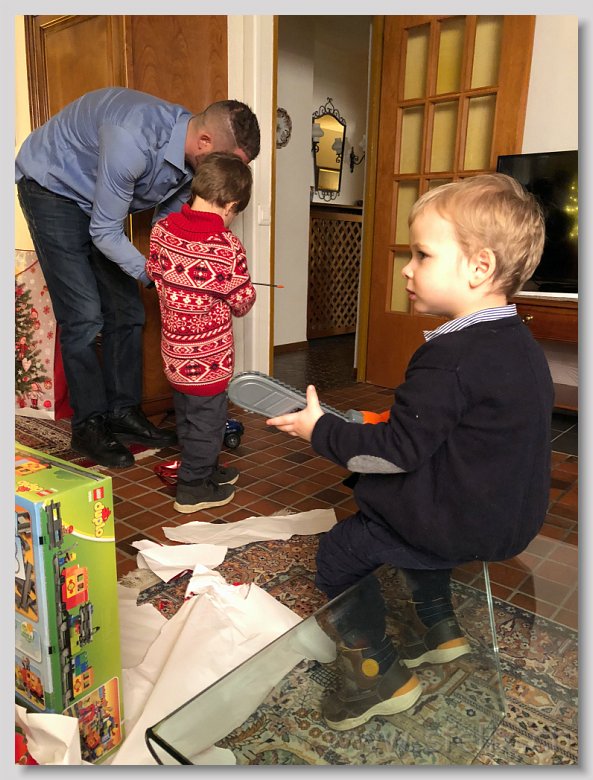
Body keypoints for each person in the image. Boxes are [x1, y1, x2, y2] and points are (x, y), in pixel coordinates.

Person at [267, 173, 554, 730]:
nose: (407, 268)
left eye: (422, 255)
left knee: (341, 553)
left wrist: (319, 431)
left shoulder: (449, 358)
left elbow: (394, 454)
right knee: (420, 530)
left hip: (456, 522)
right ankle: (438, 627)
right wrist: (388, 423)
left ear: (479, 267)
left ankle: (375, 673)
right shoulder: (519, 342)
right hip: (506, 518)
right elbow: (455, 432)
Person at [15, 87, 260, 468]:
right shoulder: (132, 139)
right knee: (84, 316)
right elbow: (105, 231)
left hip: (98, 206)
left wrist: (192, 265)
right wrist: (161, 276)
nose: (227, 173)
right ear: (205, 141)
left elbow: (168, 226)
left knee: (127, 311)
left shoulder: (194, 163)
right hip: (52, 188)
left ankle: (123, 413)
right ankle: (89, 425)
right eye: (228, 160)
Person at [147, 152, 256, 513]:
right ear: (231, 205)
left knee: (188, 418)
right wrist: (242, 289)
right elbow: (241, 303)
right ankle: (193, 488)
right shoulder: (227, 248)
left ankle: (204, 470)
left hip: (174, 356)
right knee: (208, 425)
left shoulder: (162, 230)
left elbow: (154, 274)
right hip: (208, 362)